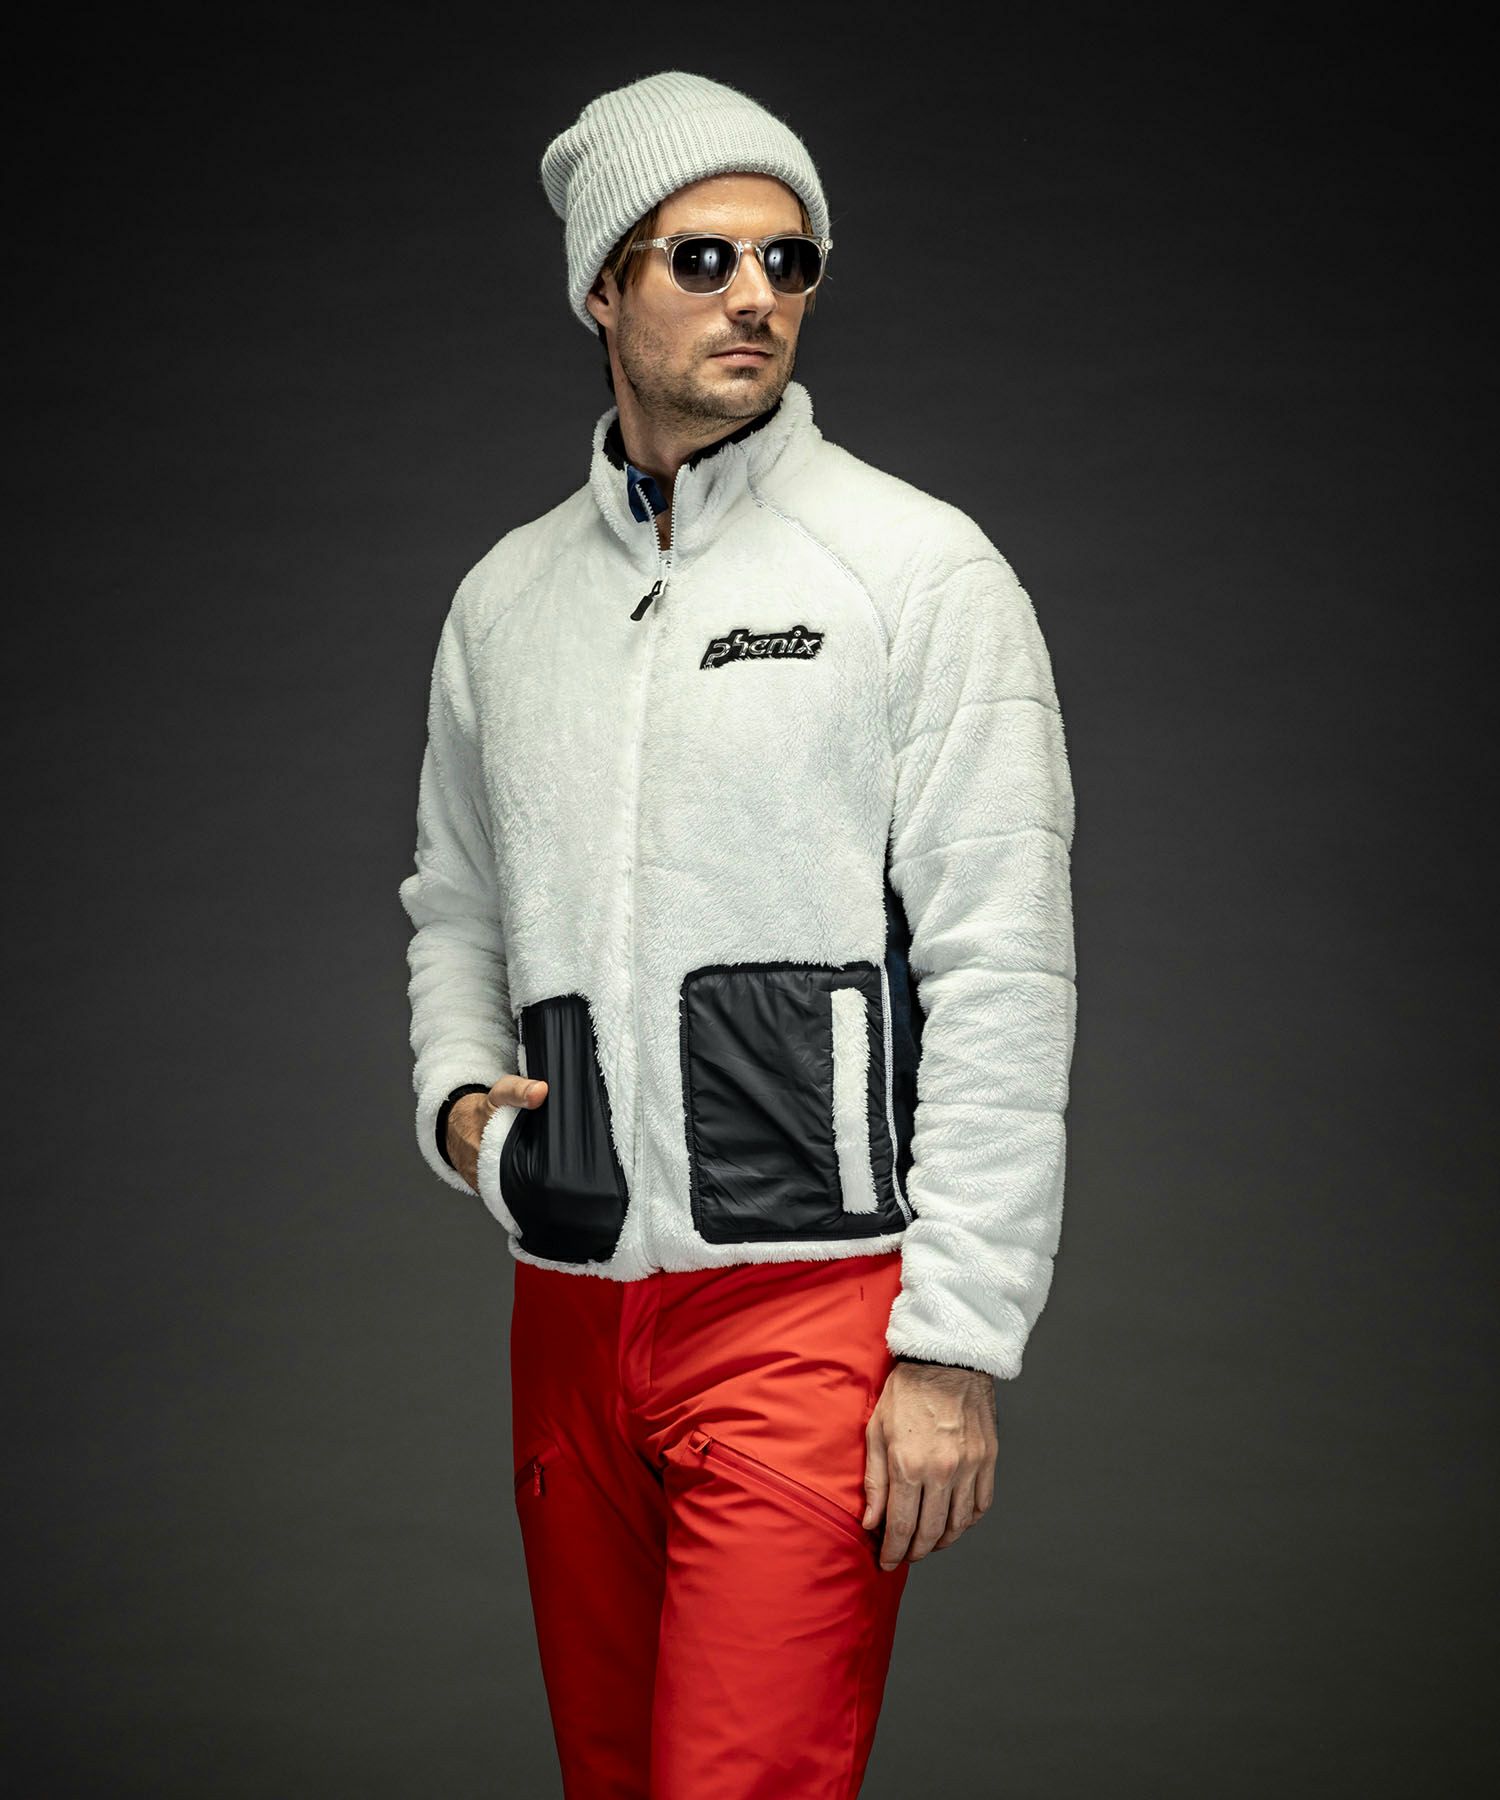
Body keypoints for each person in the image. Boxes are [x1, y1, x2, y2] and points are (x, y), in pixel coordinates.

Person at [397, 68, 1078, 1799]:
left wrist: (955, 1344)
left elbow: (1004, 965)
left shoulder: (916, 572)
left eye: (791, 259)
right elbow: (455, 897)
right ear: (602, 288)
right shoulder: (505, 603)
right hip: (568, 1316)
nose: (755, 294)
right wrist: (462, 1107)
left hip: (808, 1318)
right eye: (702, 258)